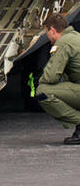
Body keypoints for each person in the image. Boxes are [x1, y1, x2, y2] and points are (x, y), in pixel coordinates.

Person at [35, 12, 80, 144]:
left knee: (43, 91)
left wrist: (40, 80)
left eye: (47, 33)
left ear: (53, 30)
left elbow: (51, 77)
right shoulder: (76, 37)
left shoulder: (63, 43)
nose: (47, 37)